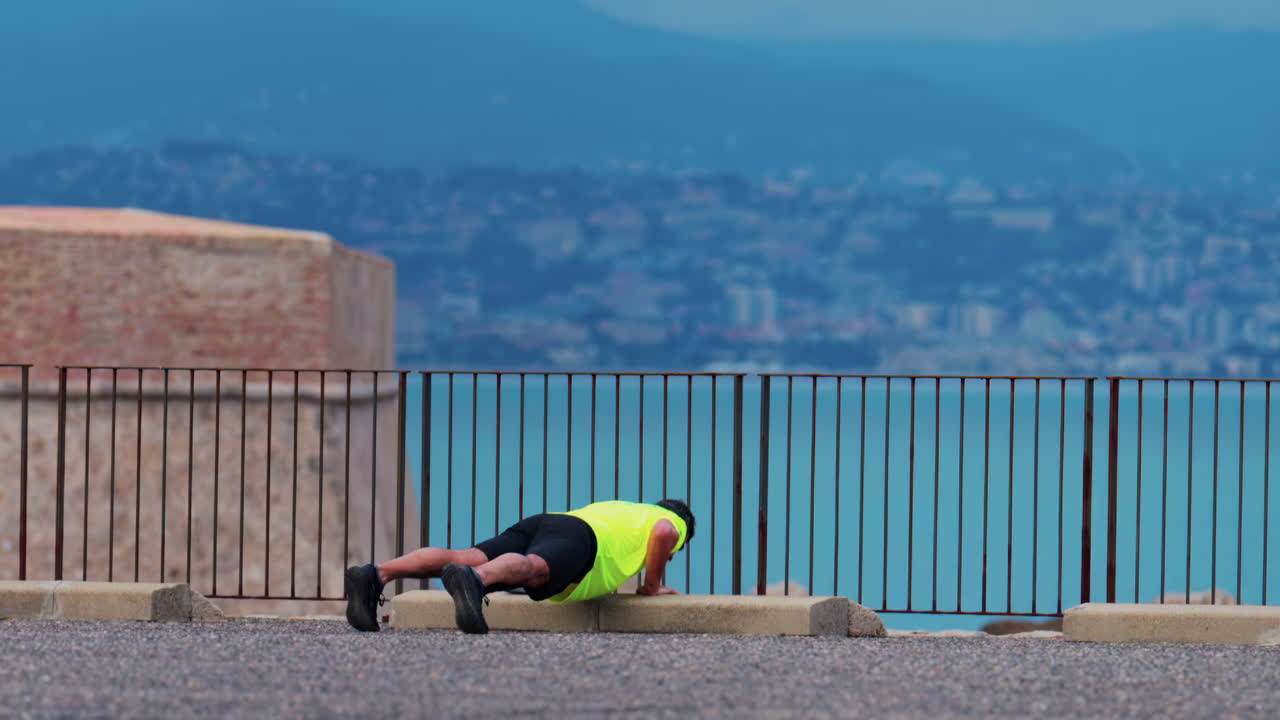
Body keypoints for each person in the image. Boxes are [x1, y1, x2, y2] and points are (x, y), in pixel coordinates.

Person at [343, 498, 695, 633]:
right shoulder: (671, 522)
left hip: (550, 520)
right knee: (535, 568)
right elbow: (664, 532)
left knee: (464, 556)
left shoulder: (626, 507)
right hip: (585, 538)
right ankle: (475, 580)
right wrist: (651, 585)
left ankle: (377, 573)